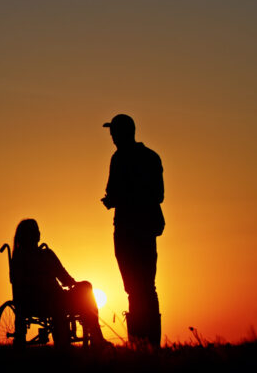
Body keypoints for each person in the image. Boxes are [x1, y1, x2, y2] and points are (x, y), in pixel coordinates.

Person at [100, 114, 164, 348]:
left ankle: (138, 342)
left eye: (114, 133)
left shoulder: (119, 159)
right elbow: (159, 195)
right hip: (146, 230)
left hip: (128, 230)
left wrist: (115, 200)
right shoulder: (152, 157)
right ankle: (150, 344)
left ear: (121, 134)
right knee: (147, 286)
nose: (112, 138)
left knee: (135, 289)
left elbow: (113, 192)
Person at [9, 218, 109, 347]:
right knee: (61, 299)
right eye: (35, 231)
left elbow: (64, 277)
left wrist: (76, 284)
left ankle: (95, 335)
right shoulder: (25, 257)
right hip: (38, 301)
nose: (38, 234)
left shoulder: (43, 254)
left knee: (86, 286)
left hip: (53, 297)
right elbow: (18, 281)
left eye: (38, 231)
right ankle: (83, 337)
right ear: (28, 236)